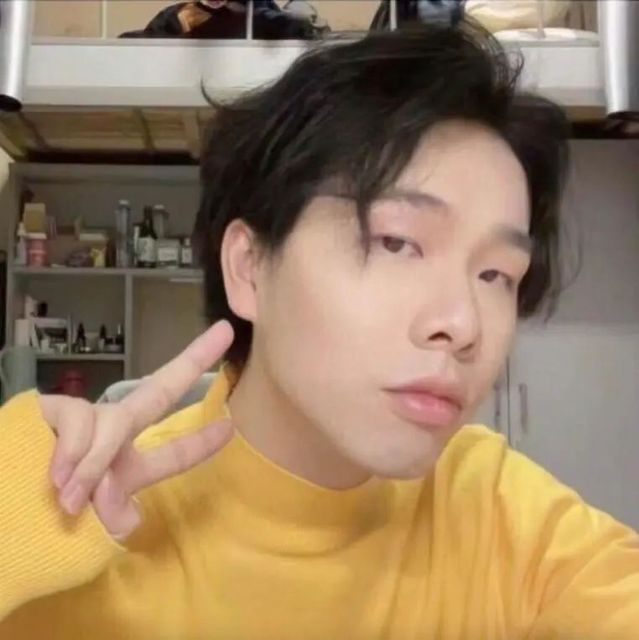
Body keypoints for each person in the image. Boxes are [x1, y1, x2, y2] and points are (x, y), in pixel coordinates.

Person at [1, 21, 638, 639]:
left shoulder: (498, 509)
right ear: (250, 268)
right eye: (396, 242)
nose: (462, 324)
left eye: (496, 274)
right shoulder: (72, 528)